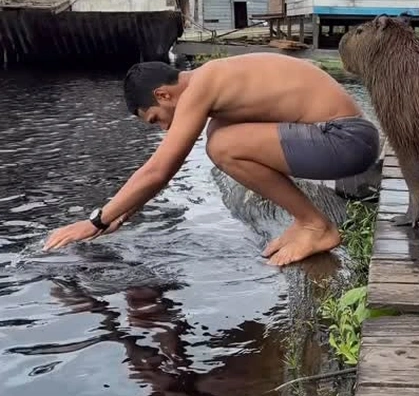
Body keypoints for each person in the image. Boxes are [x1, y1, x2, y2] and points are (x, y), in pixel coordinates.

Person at [43, 53, 380, 266]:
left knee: (222, 146)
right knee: (221, 136)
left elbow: (159, 169)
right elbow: (163, 172)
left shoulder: (202, 85)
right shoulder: (218, 88)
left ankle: (315, 225)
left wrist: (96, 221)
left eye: (156, 119)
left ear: (163, 94)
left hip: (345, 139)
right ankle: (305, 222)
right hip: (348, 139)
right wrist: (122, 216)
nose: (162, 128)